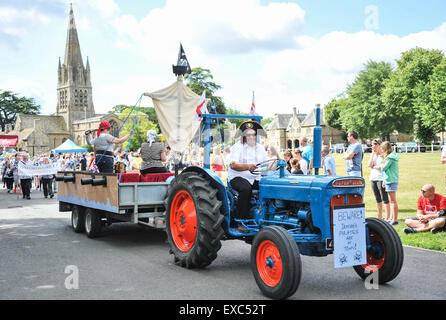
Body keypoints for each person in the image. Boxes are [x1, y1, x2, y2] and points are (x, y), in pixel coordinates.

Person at [228, 120, 268, 233]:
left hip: (256, 177)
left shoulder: (260, 148)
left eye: (253, 134)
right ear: (244, 136)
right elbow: (233, 165)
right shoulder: (237, 147)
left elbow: (266, 164)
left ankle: (265, 217)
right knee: (246, 188)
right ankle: (241, 221)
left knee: (270, 186)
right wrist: (247, 166)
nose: (251, 137)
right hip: (238, 177)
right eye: (248, 135)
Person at [368, 139, 390, 221]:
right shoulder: (373, 155)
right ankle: (380, 217)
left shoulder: (383, 155)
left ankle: (388, 218)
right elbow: (369, 164)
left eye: (374, 145)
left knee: (385, 199)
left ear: (379, 145)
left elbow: (381, 167)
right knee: (378, 199)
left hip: (381, 178)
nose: (373, 146)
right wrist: (373, 154)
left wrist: (373, 166)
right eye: (372, 145)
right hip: (373, 178)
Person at [381, 141, 400, 226]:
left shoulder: (390, 158)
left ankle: (395, 219)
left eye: (382, 149)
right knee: (391, 201)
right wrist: (384, 181)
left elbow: (383, 168)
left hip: (391, 180)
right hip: (389, 180)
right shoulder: (390, 157)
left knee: (393, 201)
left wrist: (382, 160)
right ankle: (392, 218)